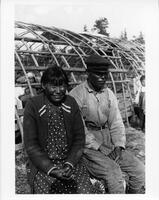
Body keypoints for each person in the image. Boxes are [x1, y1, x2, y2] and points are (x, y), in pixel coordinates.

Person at [69, 54, 145, 194]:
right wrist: (99, 147)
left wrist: (119, 145)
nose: (102, 78)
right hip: (87, 145)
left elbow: (116, 122)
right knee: (114, 173)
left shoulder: (109, 93)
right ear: (88, 74)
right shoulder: (76, 95)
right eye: (98, 74)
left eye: (105, 74)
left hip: (108, 140)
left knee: (139, 171)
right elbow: (79, 129)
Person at [23, 66, 95, 194]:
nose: (58, 91)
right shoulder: (33, 105)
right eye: (53, 86)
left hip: (70, 162)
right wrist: (52, 169)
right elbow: (31, 145)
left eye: (62, 86)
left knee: (85, 191)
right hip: (44, 165)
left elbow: (79, 139)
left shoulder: (71, 103)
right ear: (44, 86)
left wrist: (70, 163)